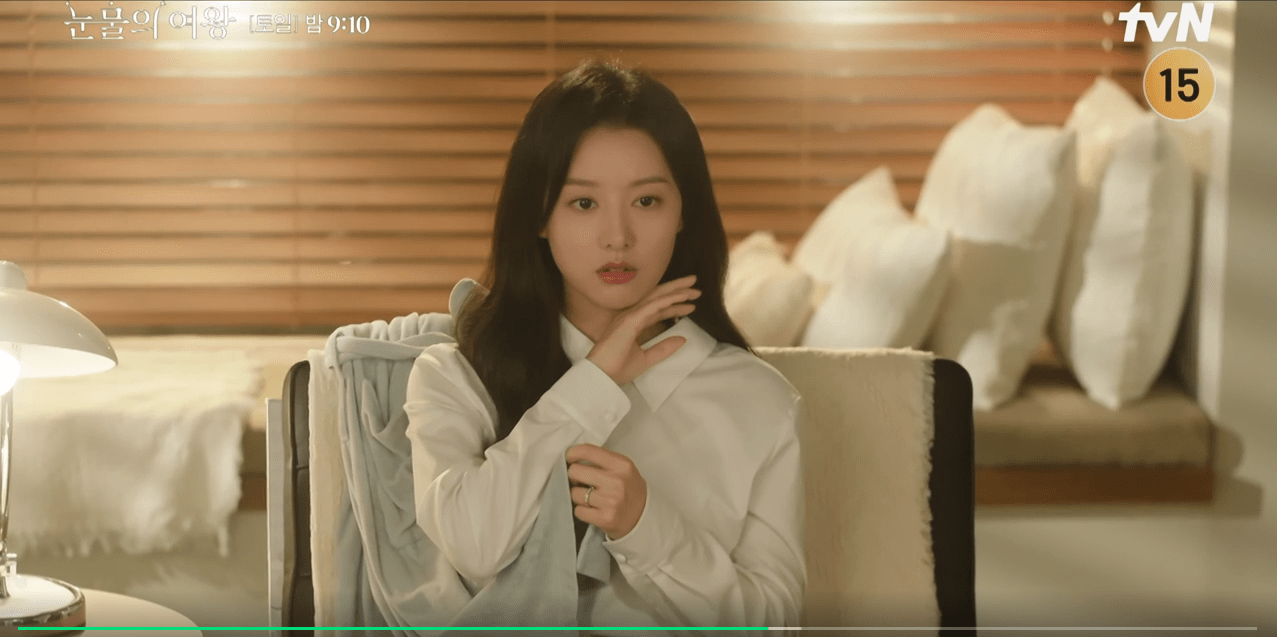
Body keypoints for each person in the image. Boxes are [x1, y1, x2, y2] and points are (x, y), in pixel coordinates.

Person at [404, 59, 806, 633]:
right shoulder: (454, 375)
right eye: (584, 203)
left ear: (683, 212)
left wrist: (647, 527)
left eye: (646, 201)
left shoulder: (760, 400)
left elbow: (777, 622)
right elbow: (475, 546)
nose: (618, 237)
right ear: (540, 217)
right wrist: (592, 382)